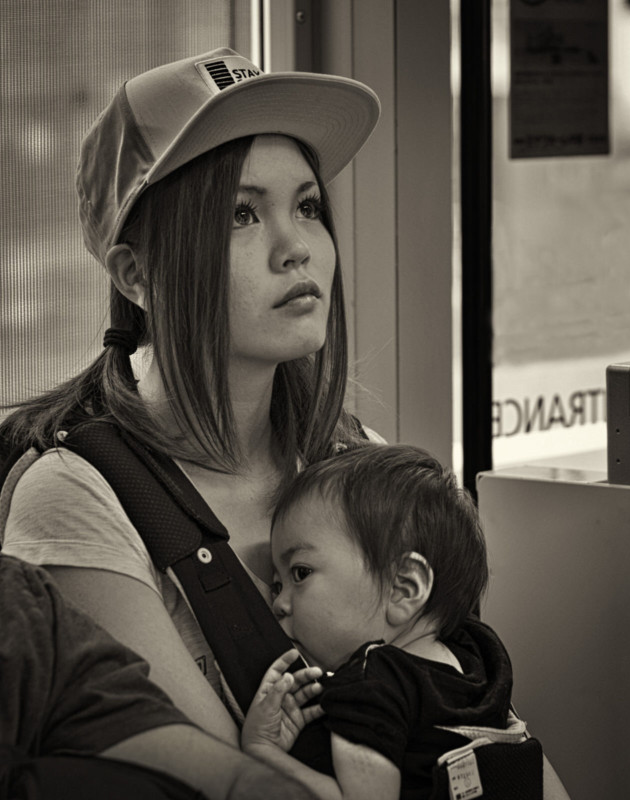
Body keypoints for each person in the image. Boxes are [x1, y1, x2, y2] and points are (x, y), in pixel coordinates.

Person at [0, 46, 382, 744]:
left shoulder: (360, 459)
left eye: (307, 205)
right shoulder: (79, 499)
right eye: (241, 214)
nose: (296, 247)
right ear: (136, 276)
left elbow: (480, 722)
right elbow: (231, 784)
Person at [240, 444, 569, 800]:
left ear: (404, 587)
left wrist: (262, 751)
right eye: (276, 585)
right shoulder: (480, 657)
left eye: (300, 573)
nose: (278, 603)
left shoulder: (369, 685)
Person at [0, 552, 322, 800]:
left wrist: (257, 771)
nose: (277, 603)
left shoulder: (22, 607)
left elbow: (229, 782)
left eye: (301, 574)